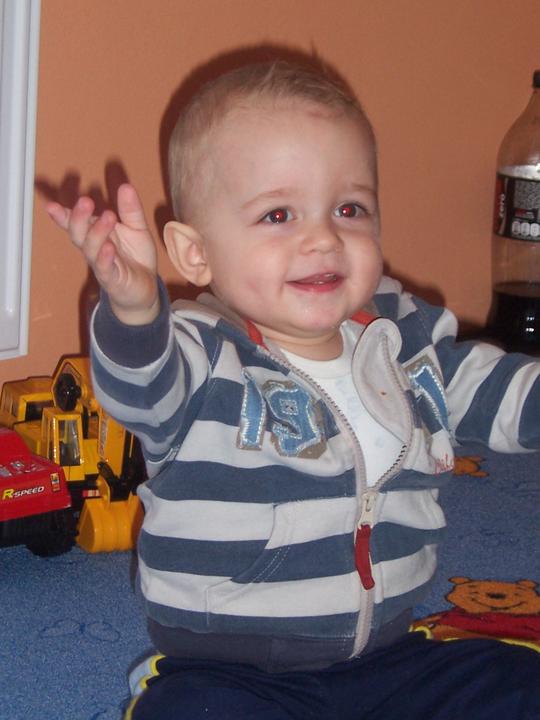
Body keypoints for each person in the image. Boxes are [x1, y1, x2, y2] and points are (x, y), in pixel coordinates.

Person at [47, 59, 540, 720]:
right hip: (233, 670)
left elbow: (493, 389)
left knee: (514, 682)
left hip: (388, 655)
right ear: (196, 254)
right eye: (278, 213)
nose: (323, 237)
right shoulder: (202, 355)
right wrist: (135, 311)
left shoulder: (403, 337)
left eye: (349, 208)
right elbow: (139, 387)